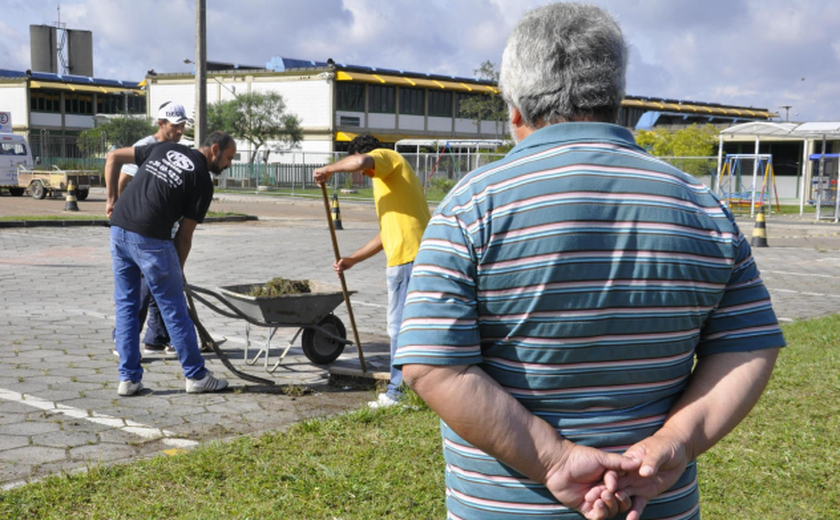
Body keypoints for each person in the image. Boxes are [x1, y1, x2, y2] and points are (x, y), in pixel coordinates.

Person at [396, 3, 785, 520]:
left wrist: (554, 460)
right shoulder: (699, 203)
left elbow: (432, 365)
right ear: (615, 97)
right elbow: (750, 347)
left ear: (514, 108)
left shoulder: (471, 207)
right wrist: (675, 444)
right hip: (655, 502)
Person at [105, 131, 237, 396]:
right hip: (152, 238)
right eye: (229, 158)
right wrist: (177, 270)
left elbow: (113, 156)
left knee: (127, 306)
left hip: (119, 229)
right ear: (215, 149)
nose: (229, 165)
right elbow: (184, 236)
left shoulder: (163, 148)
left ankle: (128, 379)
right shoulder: (202, 181)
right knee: (174, 308)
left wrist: (111, 200)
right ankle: (197, 376)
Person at [313, 135, 430, 409]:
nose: (364, 174)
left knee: (400, 328)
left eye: (363, 169)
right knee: (411, 327)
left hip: (408, 260)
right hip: (412, 257)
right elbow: (385, 234)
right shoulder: (388, 182)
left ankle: (398, 393)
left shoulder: (386, 157)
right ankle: (418, 388)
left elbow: (362, 161)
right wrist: (352, 259)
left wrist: (329, 169)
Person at [110, 101, 188, 358]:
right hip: (144, 230)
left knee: (160, 286)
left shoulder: (177, 148)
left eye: (182, 125)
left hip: (167, 228)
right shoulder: (146, 146)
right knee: (144, 289)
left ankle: (156, 339)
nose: (179, 130)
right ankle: (123, 341)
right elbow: (123, 177)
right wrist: (119, 207)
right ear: (161, 124)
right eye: (175, 126)